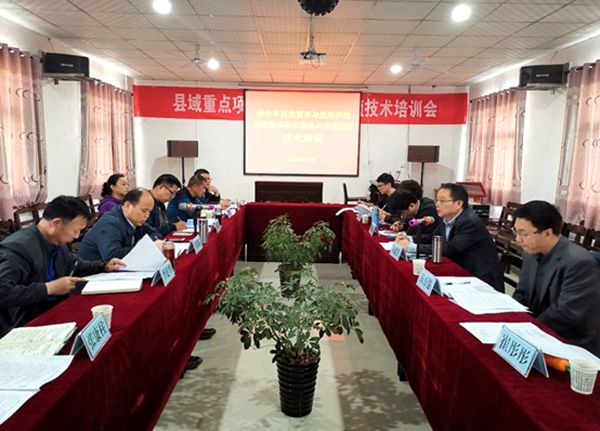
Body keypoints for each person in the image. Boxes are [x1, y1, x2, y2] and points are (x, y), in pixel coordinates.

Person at [0, 196, 125, 336]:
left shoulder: (56, 240)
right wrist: (49, 288)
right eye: (76, 230)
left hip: (56, 311)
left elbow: (73, 264)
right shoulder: (18, 248)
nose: (77, 236)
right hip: (25, 324)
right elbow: (3, 292)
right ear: (56, 223)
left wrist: (103, 266)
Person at [512, 201, 600, 356]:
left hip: (572, 341)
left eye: (524, 234)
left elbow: (566, 313)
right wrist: (512, 320)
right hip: (540, 329)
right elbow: (522, 293)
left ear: (547, 233)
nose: (518, 239)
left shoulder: (579, 262)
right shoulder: (530, 252)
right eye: (516, 232)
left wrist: (529, 332)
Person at [395, 183, 504, 292]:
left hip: (480, 278)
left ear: (458, 203)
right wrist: (409, 238)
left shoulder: (469, 222)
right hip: (459, 271)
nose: (437, 204)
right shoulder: (445, 218)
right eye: (437, 200)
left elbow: (451, 249)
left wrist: (412, 247)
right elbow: (433, 237)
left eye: (442, 201)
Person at [78, 188, 163, 262]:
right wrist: (145, 248)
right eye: (144, 211)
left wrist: (151, 244)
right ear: (127, 206)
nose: (147, 216)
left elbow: (155, 233)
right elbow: (112, 255)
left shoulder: (136, 220)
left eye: (149, 212)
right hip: (94, 272)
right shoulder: (110, 223)